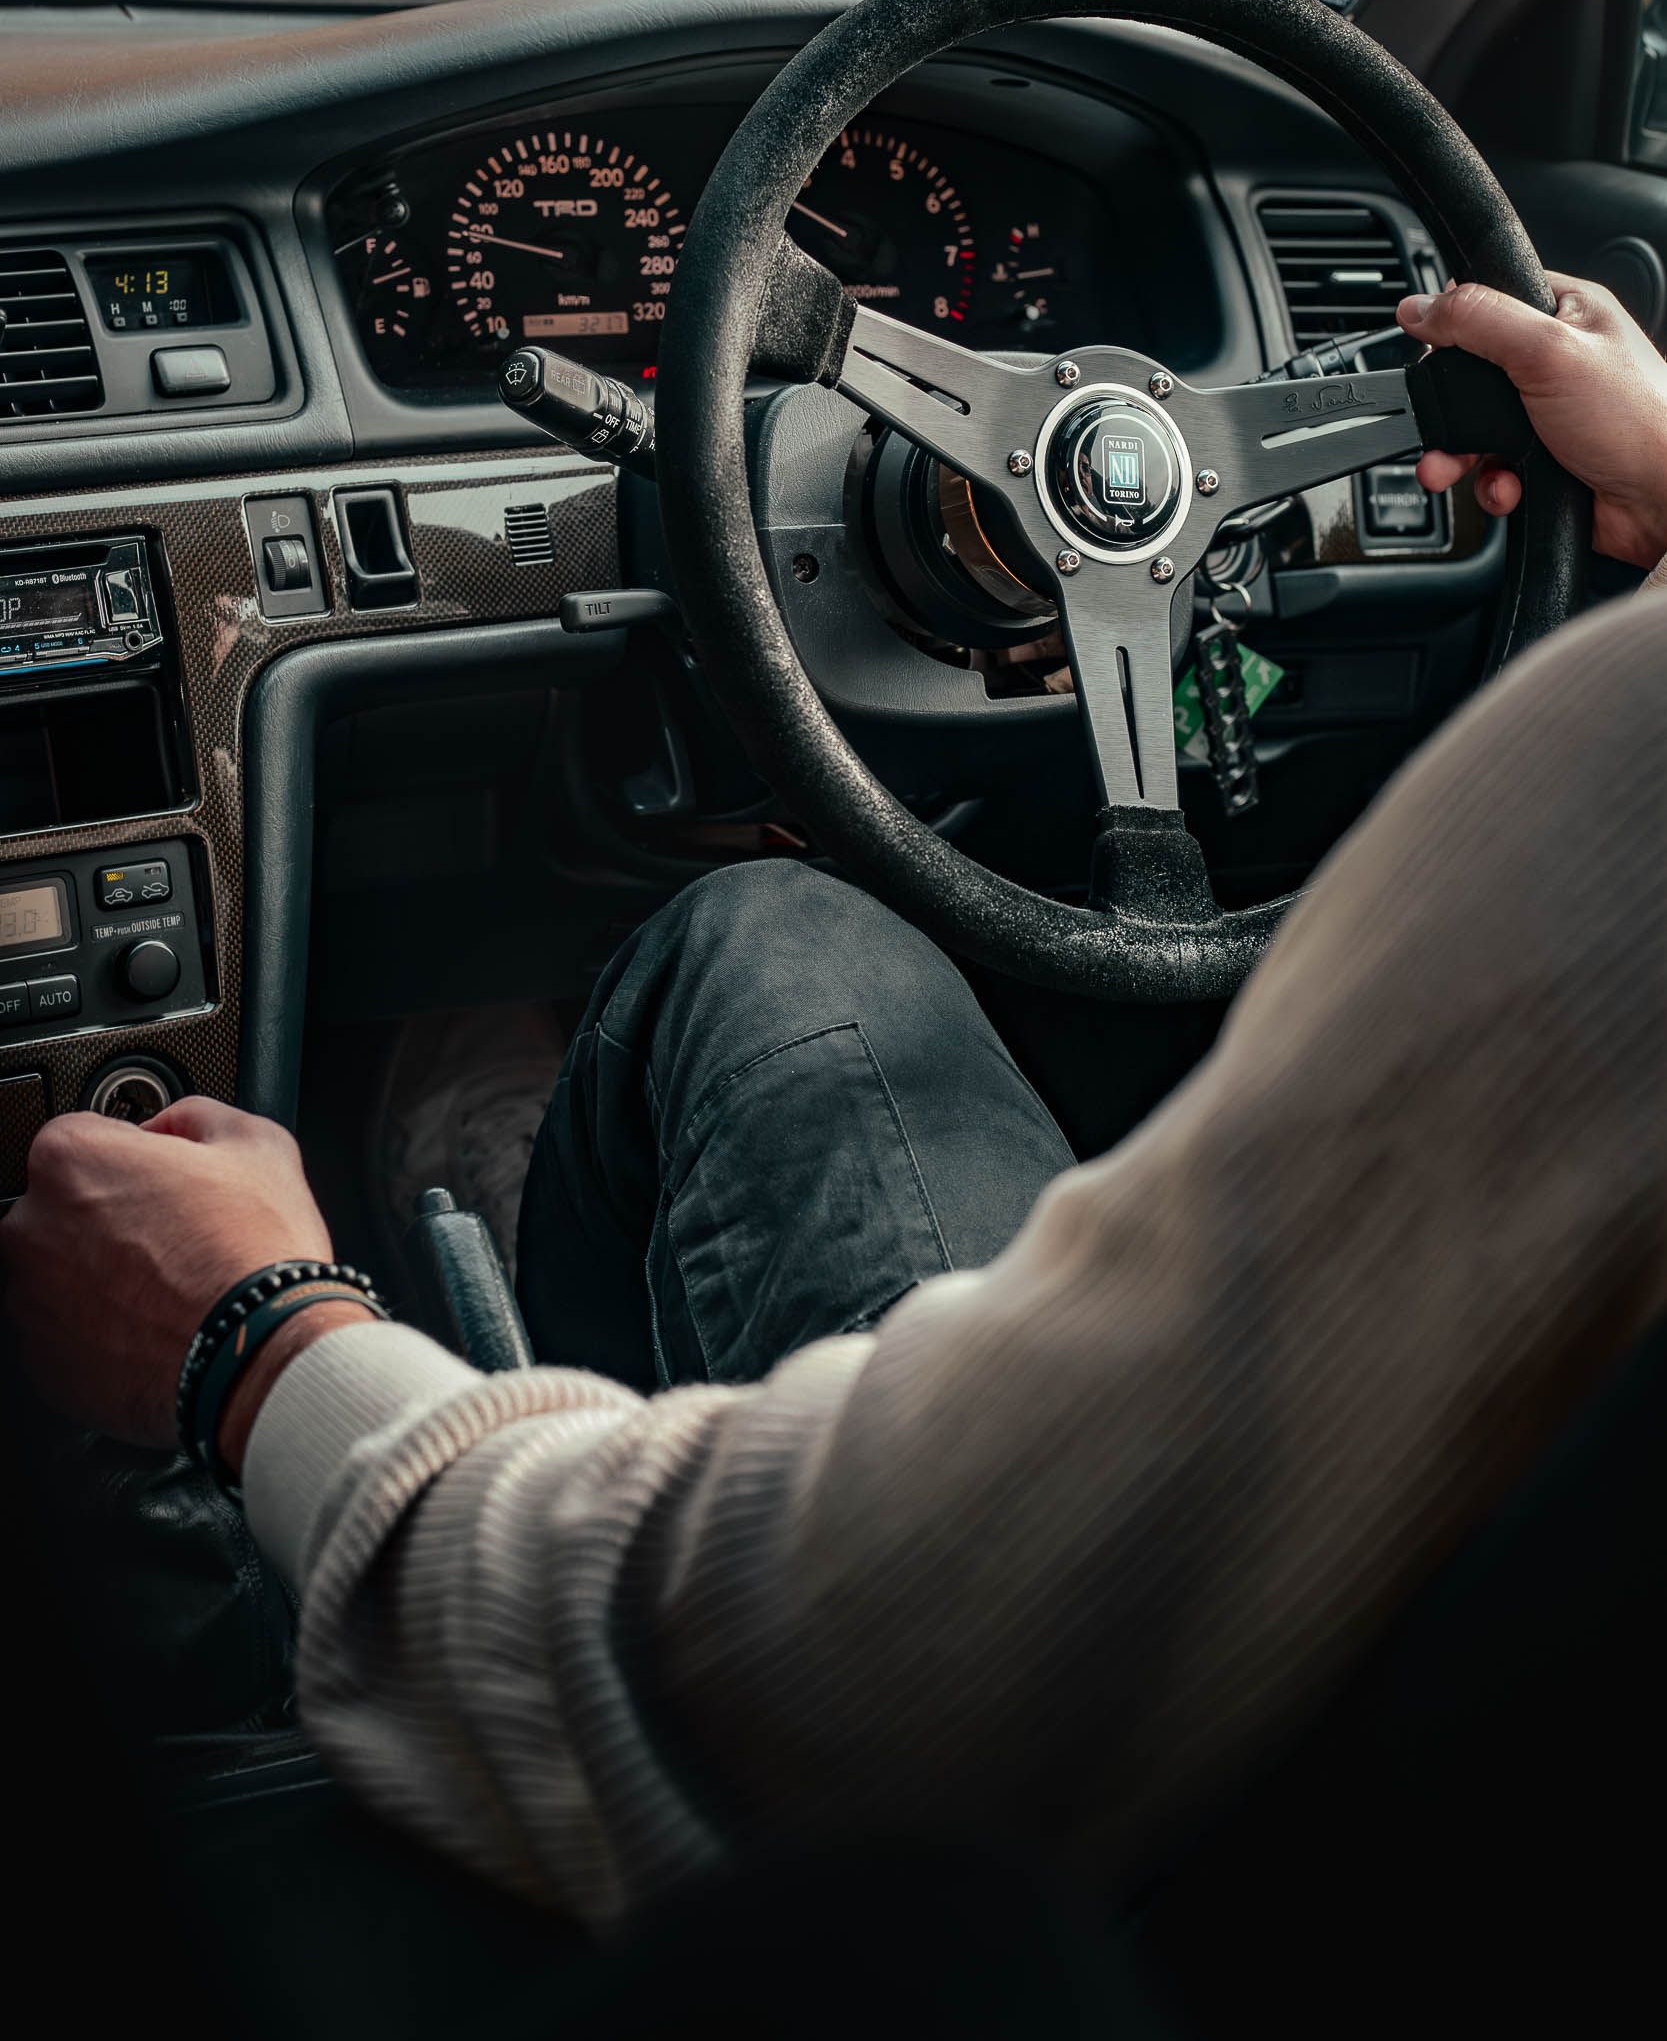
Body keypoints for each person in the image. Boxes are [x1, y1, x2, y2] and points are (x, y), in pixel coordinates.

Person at [3, 273, 1667, 1937]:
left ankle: (452, 1166)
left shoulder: (1619, 777)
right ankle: (477, 1144)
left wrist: (257, 1340)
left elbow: (894, 1676)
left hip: (1123, 1910)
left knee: (772, 927)